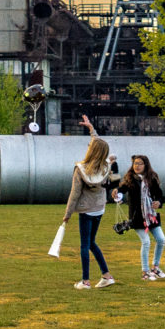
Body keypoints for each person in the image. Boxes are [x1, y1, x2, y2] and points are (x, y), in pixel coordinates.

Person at [63, 115, 114, 290]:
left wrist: (67, 214)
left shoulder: (81, 169)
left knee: (85, 245)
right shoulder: (106, 166)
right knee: (92, 242)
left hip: (86, 210)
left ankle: (85, 281)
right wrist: (92, 129)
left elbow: (74, 194)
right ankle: (106, 275)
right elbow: (99, 144)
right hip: (100, 208)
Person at [115, 154, 165, 280]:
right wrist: (117, 192)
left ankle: (155, 268)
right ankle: (145, 272)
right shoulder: (130, 179)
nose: (137, 166)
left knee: (161, 239)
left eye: (140, 163)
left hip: (151, 216)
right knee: (146, 242)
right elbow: (121, 189)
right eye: (135, 163)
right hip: (137, 218)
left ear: (145, 165)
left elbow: (159, 195)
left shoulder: (151, 179)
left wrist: (158, 202)